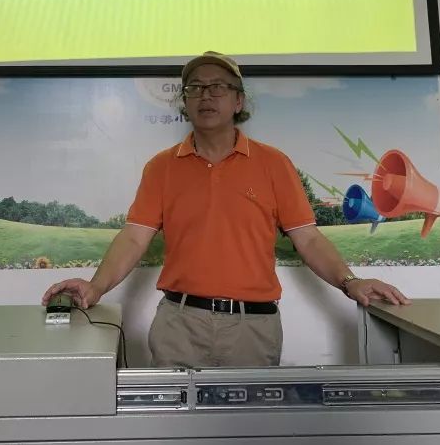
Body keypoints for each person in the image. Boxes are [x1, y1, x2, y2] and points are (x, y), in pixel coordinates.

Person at [42, 51, 409, 367]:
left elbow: (309, 239)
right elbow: (134, 238)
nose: (206, 95)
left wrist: (350, 282)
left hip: (253, 327)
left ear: (238, 101)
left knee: (248, 424)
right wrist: (95, 287)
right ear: (184, 102)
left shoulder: (274, 163)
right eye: (195, 88)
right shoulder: (161, 167)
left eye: (218, 86)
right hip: (179, 325)